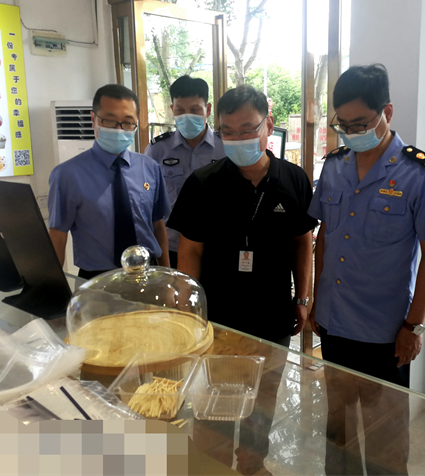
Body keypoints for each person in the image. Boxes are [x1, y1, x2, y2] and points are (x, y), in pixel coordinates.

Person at [168, 85, 316, 475]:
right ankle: (211, 467)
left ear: (268, 124)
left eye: (248, 129)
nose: (238, 139)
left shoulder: (294, 179)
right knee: (213, 402)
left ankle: (253, 463)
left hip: (272, 313)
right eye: (228, 132)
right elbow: (190, 251)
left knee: (263, 399)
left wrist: (303, 298)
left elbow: (303, 242)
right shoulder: (204, 182)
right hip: (219, 315)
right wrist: (191, 309)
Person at [308, 64, 425, 475]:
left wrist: (413, 326)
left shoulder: (418, 172)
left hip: (385, 331)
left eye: (361, 123)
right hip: (334, 322)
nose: (351, 133)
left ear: (387, 111)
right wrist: (316, 301)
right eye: (343, 125)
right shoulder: (334, 165)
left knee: (385, 439)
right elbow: (325, 237)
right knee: (338, 429)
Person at [48, 84, 170, 278]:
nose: (118, 129)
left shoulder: (150, 168)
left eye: (128, 122)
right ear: (93, 119)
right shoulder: (67, 175)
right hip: (97, 279)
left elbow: (157, 226)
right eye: (110, 121)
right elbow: (58, 235)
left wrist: (167, 276)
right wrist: (52, 286)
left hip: (148, 274)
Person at [144, 76, 225, 267]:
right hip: (170, 248)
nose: (187, 116)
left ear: (208, 110)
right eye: (180, 110)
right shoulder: (157, 150)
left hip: (216, 245)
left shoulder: (225, 148)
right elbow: (147, 203)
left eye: (195, 110)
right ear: (172, 110)